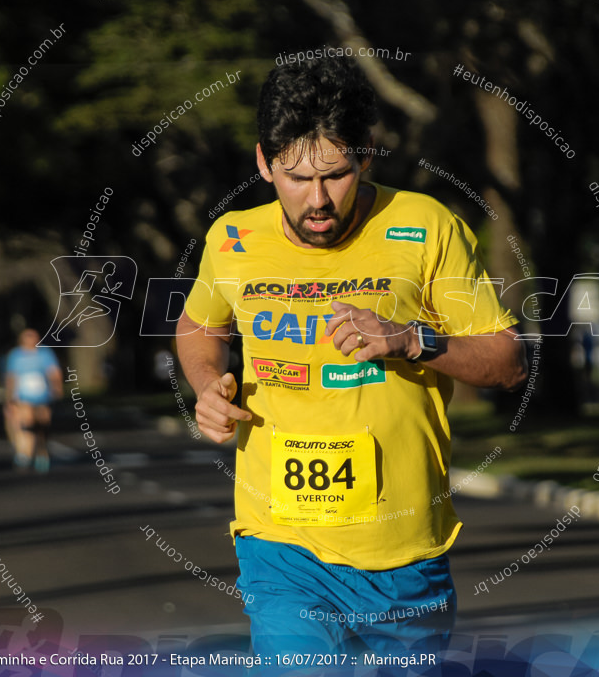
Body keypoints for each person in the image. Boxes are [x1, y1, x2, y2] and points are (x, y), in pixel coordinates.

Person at [176, 57, 528, 658]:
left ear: (367, 153)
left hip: (403, 549)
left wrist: (413, 340)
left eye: (336, 175)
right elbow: (198, 324)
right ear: (263, 162)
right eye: (295, 177)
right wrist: (208, 384)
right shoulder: (231, 238)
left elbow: (506, 360)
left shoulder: (427, 225)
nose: (317, 200)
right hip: (280, 541)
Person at [4, 328, 62, 473]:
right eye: (28, 336)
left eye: (34, 336)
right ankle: (24, 453)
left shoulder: (45, 353)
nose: (31, 339)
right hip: (24, 397)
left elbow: (54, 372)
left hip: (43, 397)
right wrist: (10, 397)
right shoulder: (15, 355)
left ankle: (42, 452)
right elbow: (11, 377)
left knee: (42, 426)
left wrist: (57, 387)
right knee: (27, 423)